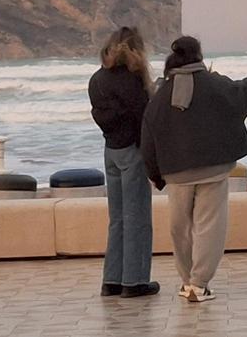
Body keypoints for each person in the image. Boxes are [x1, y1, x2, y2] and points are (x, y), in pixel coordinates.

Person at [141, 35, 247, 303]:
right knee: (209, 226)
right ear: (199, 56)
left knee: (180, 229)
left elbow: (148, 136)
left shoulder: (161, 94)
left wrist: (154, 174)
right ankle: (199, 285)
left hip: (176, 173)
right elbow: (242, 93)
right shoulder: (215, 83)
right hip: (213, 169)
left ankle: (187, 281)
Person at [88, 26, 159, 298]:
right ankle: (134, 281)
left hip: (110, 150)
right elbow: (145, 119)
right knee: (137, 217)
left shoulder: (97, 79)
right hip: (132, 150)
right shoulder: (132, 80)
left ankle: (112, 279)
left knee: (117, 219)